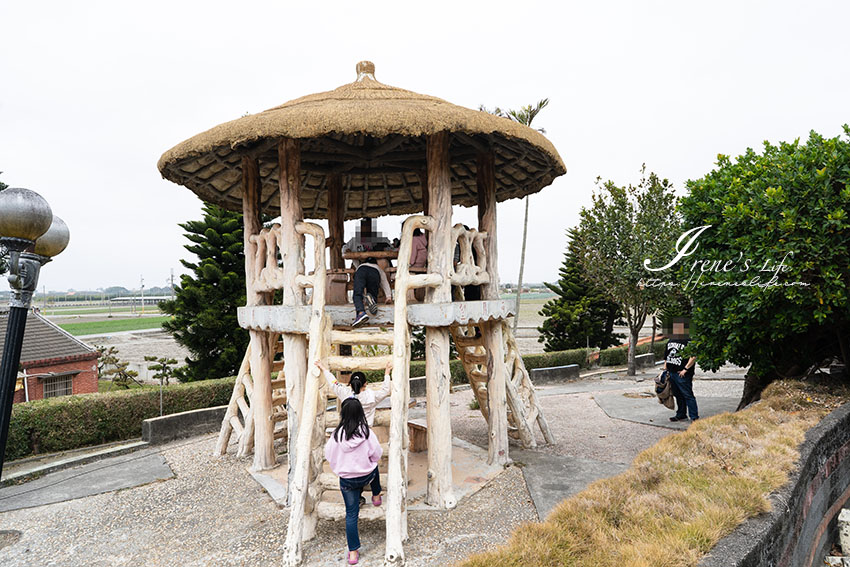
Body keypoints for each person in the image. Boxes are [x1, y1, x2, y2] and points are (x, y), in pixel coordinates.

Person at [324, 397, 383, 566]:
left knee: (351, 515)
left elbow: (329, 455)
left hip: (347, 481)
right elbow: (377, 454)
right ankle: (376, 495)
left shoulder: (337, 435)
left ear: (342, 413)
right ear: (360, 413)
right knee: (375, 466)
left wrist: (340, 467)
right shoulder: (367, 433)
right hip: (366, 476)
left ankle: (353, 552)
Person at [316, 359, 392, 426]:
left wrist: (323, 368)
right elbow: (385, 390)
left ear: (350, 384)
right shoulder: (372, 396)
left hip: (348, 431)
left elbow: (333, 382)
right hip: (365, 431)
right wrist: (387, 373)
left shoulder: (344, 393)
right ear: (365, 383)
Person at [664, 318, 698, 422]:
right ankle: (681, 414)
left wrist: (685, 369)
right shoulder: (670, 340)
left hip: (682, 373)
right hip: (672, 372)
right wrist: (665, 370)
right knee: (677, 395)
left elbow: (693, 356)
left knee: (688, 395)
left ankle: (694, 417)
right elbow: (667, 356)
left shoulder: (689, 341)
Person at [351, 243, 393, 327]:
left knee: (357, 293)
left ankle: (361, 312)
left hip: (361, 271)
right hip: (374, 273)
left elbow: (354, 259)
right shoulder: (378, 268)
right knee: (373, 292)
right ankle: (371, 299)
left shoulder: (360, 265)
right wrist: (388, 297)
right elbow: (385, 283)